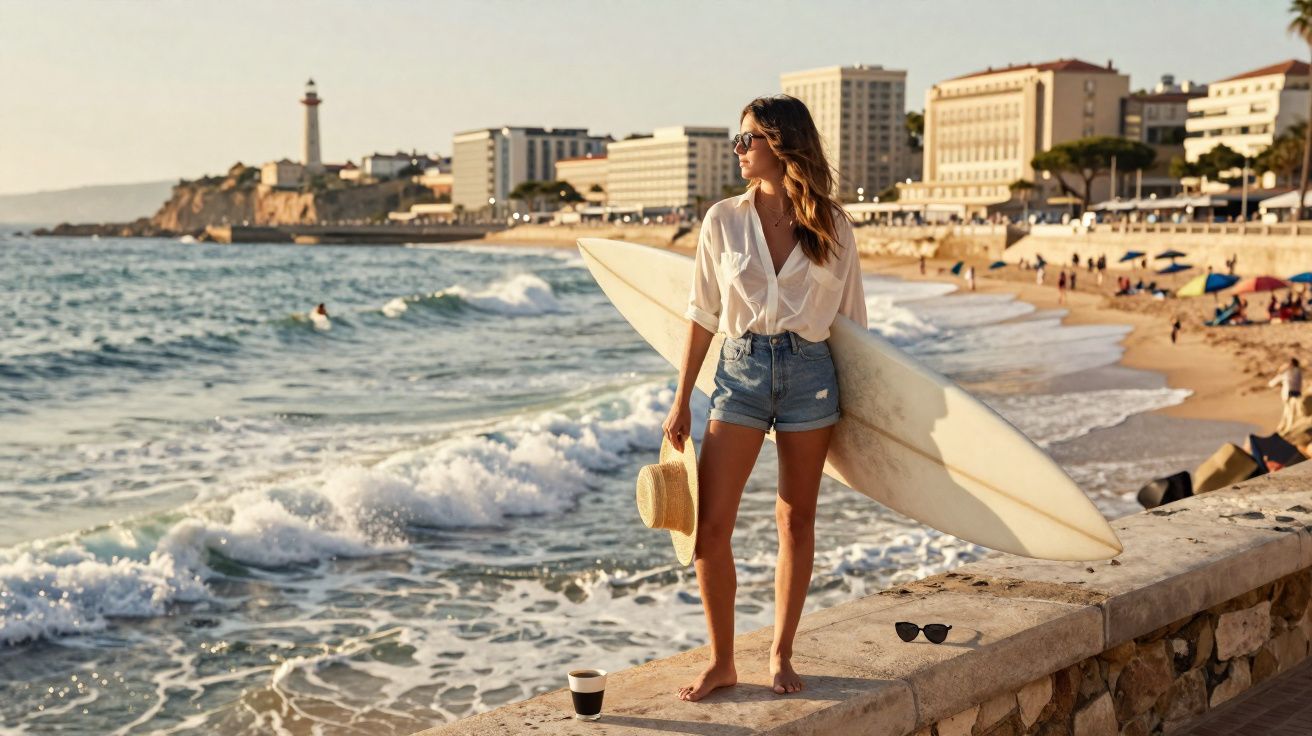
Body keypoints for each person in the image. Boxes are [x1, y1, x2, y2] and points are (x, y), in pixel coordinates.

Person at [670, 94, 867, 702]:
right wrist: (681, 401)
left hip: (812, 376)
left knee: (795, 520)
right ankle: (722, 661)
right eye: (738, 139)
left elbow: (853, 325)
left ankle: (781, 653)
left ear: (780, 144)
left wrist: (870, 420)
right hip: (740, 372)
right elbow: (703, 313)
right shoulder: (722, 220)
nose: (738, 149)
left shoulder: (833, 225)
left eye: (747, 138)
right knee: (709, 527)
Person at [1269, 358, 1304, 434]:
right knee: (1288, 411)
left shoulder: (1288, 373)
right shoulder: (1298, 372)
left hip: (1289, 394)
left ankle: (1288, 428)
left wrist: (1280, 371)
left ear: (1291, 364)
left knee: (1289, 411)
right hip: (1297, 394)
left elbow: (1271, 383)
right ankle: (1282, 427)